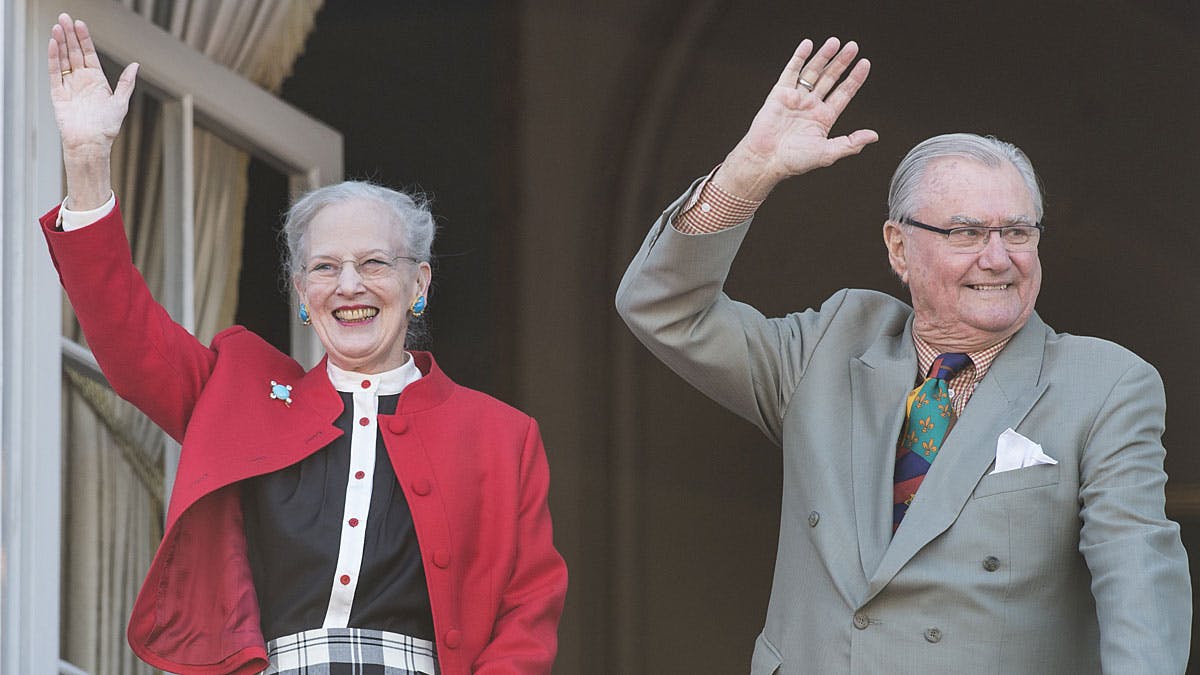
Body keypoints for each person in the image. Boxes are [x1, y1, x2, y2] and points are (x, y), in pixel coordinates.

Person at [616, 37, 1190, 673]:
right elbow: (663, 308)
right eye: (966, 233)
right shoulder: (829, 345)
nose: (998, 258)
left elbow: (1137, 570)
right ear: (898, 248)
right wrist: (749, 171)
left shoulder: (1104, 383)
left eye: (1018, 233)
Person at [43, 13, 566, 675]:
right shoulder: (239, 391)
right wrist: (87, 164)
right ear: (299, 291)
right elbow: (128, 338)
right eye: (324, 267)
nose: (349, 284)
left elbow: (526, 621)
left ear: (419, 283)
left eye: (375, 263)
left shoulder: (501, 437)